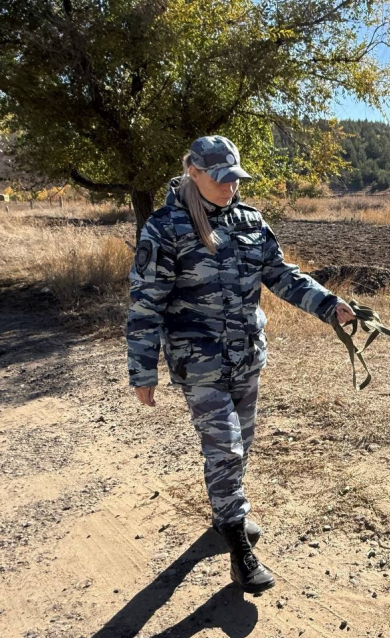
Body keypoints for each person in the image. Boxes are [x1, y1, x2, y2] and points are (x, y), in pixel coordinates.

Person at [126, 135, 355, 594]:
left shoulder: (250, 221)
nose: (230, 186)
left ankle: (225, 512)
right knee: (226, 449)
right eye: (220, 177)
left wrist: (330, 304)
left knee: (241, 446)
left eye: (235, 178)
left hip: (247, 356)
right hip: (200, 363)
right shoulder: (165, 227)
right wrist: (143, 370)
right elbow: (146, 303)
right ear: (194, 171)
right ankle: (239, 547)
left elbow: (281, 274)